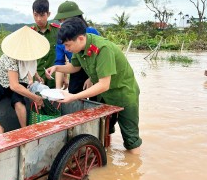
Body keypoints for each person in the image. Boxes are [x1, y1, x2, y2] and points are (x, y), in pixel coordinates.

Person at [46, 17, 142, 154]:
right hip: (104, 96)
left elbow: (103, 85)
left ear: (80, 38)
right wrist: (57, 68)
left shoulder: (103, 49)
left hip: (123, 93)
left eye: (68, 45)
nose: (67, 49)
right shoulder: (79, 48)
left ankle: (134, 168)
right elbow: (75, 67)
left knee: (131, 139)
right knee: (104, 131)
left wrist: (73, 96)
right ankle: (107, 159)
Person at [0, 26, 49, 134]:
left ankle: (24, 129)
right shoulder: (10, 57)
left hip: (19, 81)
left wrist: (37, 77)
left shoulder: (31, 54)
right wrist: (35, 97)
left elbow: (30, 67)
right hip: (1, 81)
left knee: (18, 101)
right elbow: (14, 86)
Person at [53, 0, 100, 93]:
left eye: (65, 20)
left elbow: (100, 59)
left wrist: (92, 78)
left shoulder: (91, 33)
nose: (63, 23)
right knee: (73, 96)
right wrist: (57, 90)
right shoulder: (61, 38)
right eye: (61, 21)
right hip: (75, 69)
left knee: (95, 99)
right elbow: (60, 63)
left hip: (95, 71)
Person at [31, 0, 60, 88]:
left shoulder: (58, 31)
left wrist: (65, 76)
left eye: (42, 15)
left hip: (54, 77)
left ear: (48, 14)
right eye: (36, 15)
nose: (38, 19)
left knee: (54, 100)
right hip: (36, 77)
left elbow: (64, 55)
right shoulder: (30, 33)